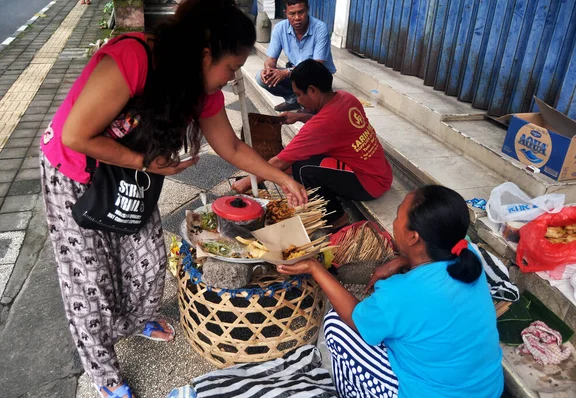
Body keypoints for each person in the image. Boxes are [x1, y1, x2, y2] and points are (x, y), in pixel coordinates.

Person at [39, 1, 307, 397]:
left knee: (147, 259)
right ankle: (105, 376)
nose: (233, 78)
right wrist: (144, 162)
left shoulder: (201, 88)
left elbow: (230, 145)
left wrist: (279, 176)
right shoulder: (134, 57)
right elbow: (76, 136)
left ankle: (131, 320)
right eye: (230, 68)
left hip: (132, 173)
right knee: (89, 280)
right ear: (204, 55)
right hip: (75, 172)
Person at [278, 185, 504, 398]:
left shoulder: (401, 292)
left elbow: (355, 319)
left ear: (413, 237)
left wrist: (315, 269)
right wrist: (403, 260)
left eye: (397, 216)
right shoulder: (467, 254)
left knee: (335, 325)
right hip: (488, 389)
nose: (393, 222)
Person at [235, 59, 392, 231]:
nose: (298, 100)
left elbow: (280, 162)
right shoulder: (346, 98)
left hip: (369, 183)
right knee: (304, 159)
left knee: (302, 168)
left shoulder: (319, 127)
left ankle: (335, 217)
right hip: (380, 171)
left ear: (312, 90)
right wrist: (300, 116)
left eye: (298, 94)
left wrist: (246, 182)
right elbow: (333, 126)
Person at [256, 0, 336, 112]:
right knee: (260, 78)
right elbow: (271, 59)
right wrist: (269, 69)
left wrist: (286, 72)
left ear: (307, 9)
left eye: (301, 12)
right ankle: (293, 99)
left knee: (309, 80)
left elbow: (317, 65)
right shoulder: (280, 28)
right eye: (292, 14)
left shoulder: (320, 28)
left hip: (318, 76)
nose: (297, 17)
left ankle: (310, 106)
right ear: (285, 13)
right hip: (297, 73)